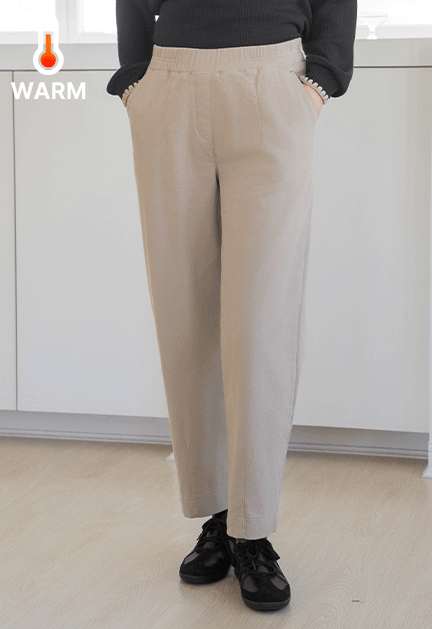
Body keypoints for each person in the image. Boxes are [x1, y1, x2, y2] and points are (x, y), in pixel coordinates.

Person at [107, 0, 357, 613]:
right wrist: (135, 78)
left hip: (274, 82)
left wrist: (322, 79)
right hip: (169, 83)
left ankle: (254, 529)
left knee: (260, 323)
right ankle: (216, 516)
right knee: (185, 312)